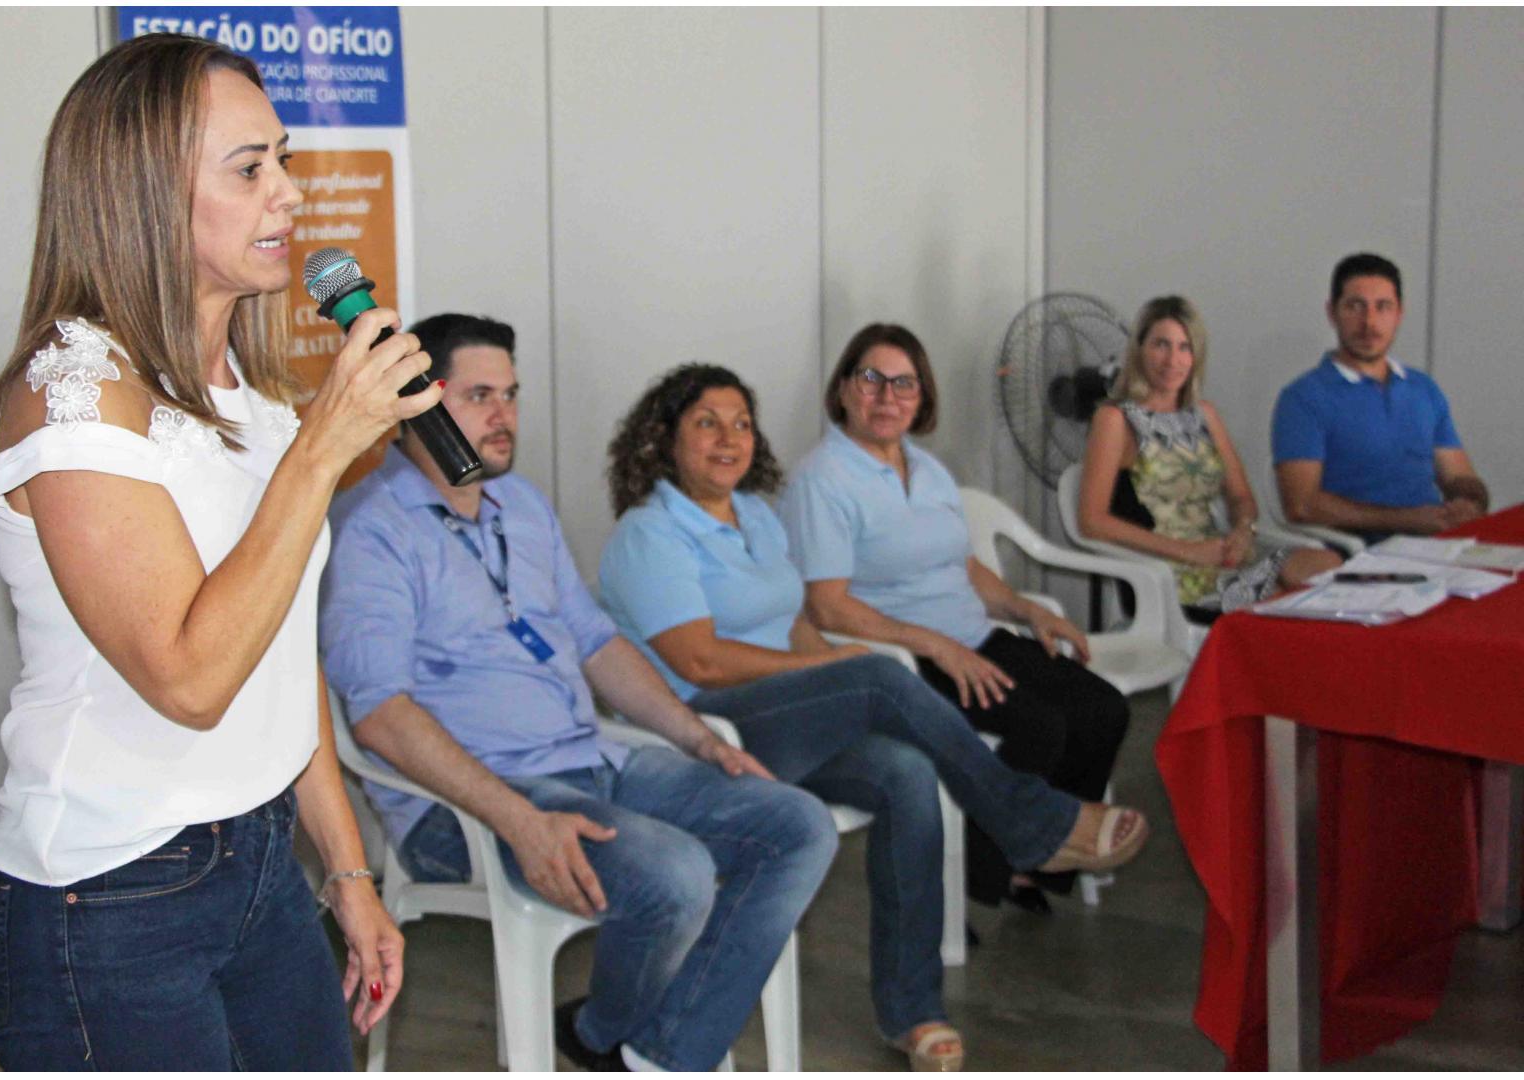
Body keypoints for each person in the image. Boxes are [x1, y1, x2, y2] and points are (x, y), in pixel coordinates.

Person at [0, 35, 423, 1070]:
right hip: (109, 897)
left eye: (286, 159)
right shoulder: (70, 392)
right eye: (249, 169)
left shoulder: (251, 401)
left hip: (261, 863)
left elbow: (277, 650)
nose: (290, 198)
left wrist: (349, 876)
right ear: (143, 193)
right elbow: (191, 678)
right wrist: (321, 450)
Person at [319, 314, 838, 1073]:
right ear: (411, 401)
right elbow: (380, 718)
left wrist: (698, 738)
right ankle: (623, 1042)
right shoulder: (370, 529)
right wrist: (521, 820)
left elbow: (597, 644)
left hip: (589, 758)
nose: (504, 416)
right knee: (678, 874)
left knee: (798, 823)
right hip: (471, 800)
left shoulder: (521, 505)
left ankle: (645, 1049)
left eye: (512, 394)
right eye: (479, 395)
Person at [599, 363, 1150, 1072]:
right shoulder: (649, 535)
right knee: (874, 673)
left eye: (740, 422)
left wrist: (821, 665)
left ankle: (912, 1009)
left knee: (907, 772)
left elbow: (795, 623)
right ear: (663, 440)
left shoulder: (756, 517)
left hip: (780, 718)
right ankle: (1031, 822)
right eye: (706, 422)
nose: (728, 438)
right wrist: (827, 672)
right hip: (704, 730)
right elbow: (699, 661)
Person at [780, 323, 1137, 915]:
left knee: (1103, 710)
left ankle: (1035, 861)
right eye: (871, 379)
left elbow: (964, 565)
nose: (887, 396)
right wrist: (935, 646)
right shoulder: (823, 480)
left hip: (975, 635)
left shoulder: (927, 468)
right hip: (903, 660)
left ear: (922, 399)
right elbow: (826, 605)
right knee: (1039, 726)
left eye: (905, 384)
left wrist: (1026, 611)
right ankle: (984, 869)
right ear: (843, 389)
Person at [1078, 296, 1341, 617]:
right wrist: (1188, 552)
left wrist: (1244, 531)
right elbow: (1092, 522)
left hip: (1224, 558)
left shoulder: (1204, 414)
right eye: (1161, 344)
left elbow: (1242, 498)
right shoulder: (1115, 419)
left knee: (1326, 566)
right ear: (1140, 349)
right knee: (1294, 607)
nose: (1172, 359)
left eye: (1184, 347)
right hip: (1168, 575)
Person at [1272, 253, 1490, 545]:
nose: (1369, 322)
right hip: (1360, 556)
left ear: (1399, 313)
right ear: (1332, 312)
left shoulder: (1423, 388)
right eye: (1355, 306)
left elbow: (1458, 476)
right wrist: (1410, 520)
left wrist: (1469, 501)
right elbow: (1302, 506)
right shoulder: (1302, 399)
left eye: (1383, 307)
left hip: (1440, 543)